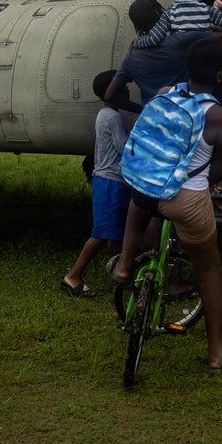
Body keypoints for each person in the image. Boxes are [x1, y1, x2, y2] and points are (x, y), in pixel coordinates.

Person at [109, 37, 222, 373]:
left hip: (142, 186)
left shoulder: (165, 92)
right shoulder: (219, 116)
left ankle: (123, 265)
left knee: (142, 198)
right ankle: (215, 356)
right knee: (209, 269)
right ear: (221, 76)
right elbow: (218, 171)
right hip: (185, 200)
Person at [61, 70, 130, 298]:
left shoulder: (104, 114)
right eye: (124, 87)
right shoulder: (113, 117)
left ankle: (119, 275)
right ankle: (73, 276)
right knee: (101, 234)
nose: (128, 90)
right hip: (111, 182)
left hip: (108, 181)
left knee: (114, 234)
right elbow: (124, 147)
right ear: (114, 92)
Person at [104, 0, 211, 110]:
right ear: (161, 14)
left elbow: (109, 96)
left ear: (137, 26)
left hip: (154, 119)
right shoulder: (181, 41)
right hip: (185, 114)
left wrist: (142, 110)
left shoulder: (131, 58)